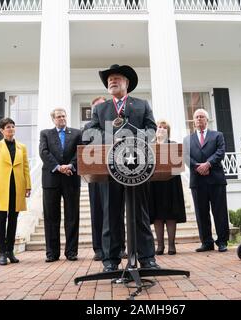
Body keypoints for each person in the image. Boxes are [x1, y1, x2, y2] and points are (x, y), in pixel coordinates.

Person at [86, 64, 159, 272]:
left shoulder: (142, 104)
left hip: (138, 167)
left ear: (127, 83)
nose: (112, 81)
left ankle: (147, 258)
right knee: (111, 214)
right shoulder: (100, 109)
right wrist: (109, 138)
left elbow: (152, 129)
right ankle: (111, 260)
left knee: (140, 213)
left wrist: (132, 138)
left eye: (117, 78)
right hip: (109, 169)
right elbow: (92, 131)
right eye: (109, 79)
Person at [84, 96, 127, 262]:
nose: (100, 110)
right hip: (96, 175)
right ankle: (99, 249)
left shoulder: (117, 125)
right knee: (98, 212)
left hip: (117, 174)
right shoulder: (88, 127)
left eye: (103, 107)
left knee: (117, 211)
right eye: (97, 108)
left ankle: (120, 247)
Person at [184, 109, 230, 253]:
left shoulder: (217, 135)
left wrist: (208, 164)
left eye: (201, 116)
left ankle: (222, 241)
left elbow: (220, 152)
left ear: (207, 120)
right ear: (194, 121)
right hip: (197, 180)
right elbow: (185, 156)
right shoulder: (187, 139)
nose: (198, 119)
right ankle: (207, 242)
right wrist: (198, 167)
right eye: (196, 117)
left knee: (220, 212)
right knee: (201, 212)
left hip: (216, 179)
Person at [39, 108, 82, 263]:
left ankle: (71, 252)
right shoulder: (45, 133)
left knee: (72, 216)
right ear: (53, 119)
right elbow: (44, 152)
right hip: (51, 179)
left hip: (71, 178)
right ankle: (52, 253)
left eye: (64, 116)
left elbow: (80, 152)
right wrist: (58, 167)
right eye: (58, 117)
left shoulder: (77, 133)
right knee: (51, 217)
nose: (62, 119)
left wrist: (70, 166)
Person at [0, 118, 31, 266]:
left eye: (13, 126)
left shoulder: (22, 147)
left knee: (13, 220)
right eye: (8, 127)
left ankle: (10, 251)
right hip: (1, 188)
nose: (11, 129)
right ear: (2, 130)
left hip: (17, 187)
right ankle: (1, 253)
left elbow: (26, 167)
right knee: (1, 221)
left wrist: (28, 186)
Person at [149, 120, 187, 256]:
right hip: (154, 184)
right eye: (159, 127)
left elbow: (178, 164)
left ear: (168, 131)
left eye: (165, 128)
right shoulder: (150, 146)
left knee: (171, 215)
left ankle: (171, 245)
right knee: (157, 216)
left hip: (171, 183)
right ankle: (160, 245)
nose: (162, 129)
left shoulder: (174, 145)